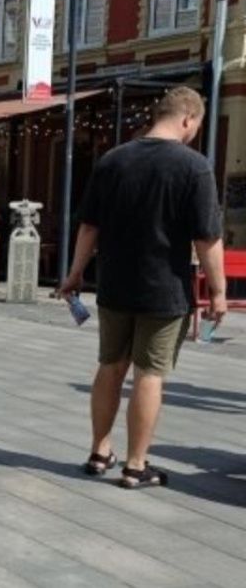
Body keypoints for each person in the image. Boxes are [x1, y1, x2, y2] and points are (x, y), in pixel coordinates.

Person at [60, 86, 226, 489]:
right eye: (196, 126)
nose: (194, 132)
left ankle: (100, 452)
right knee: (150, 374)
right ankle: (136, 465)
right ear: (188, 118)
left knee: (110, 366)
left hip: (115, 284)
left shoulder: (113, 160)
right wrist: (218, 291)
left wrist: (75, 273)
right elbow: (207, 238)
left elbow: (89, 226)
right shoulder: (193, 167)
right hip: (165, 289)